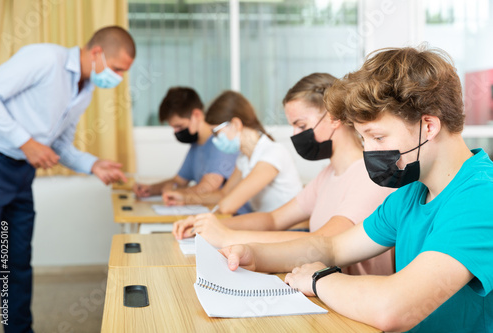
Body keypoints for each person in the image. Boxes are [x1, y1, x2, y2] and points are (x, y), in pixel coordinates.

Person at [220, 46, 493, 332]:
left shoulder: (481, 198)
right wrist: (255, 254)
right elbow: (332, 247)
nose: (370, 152)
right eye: (365, 140)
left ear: (429, 126)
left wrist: (318, 279)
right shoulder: (411, 194)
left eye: (378, 137)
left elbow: (394, 308)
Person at [173, 74, 394, 276]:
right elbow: (273, 219)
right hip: (326, 293)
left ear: (334, 118)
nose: (296, 135)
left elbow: (327, 242)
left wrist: (227, 237)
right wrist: (209, 226)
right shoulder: (327, 175)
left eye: (301, 125)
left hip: (350, 308)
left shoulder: (370, 176)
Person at [0, 26, 135, 332]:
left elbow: (59, 145)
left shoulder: (85, 90)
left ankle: (18, 329)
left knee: (15, 261)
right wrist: (26, 142)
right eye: (118, 69)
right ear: (97, 53)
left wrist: (93, 164)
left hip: (20, 174)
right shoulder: (46, 59)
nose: (119, 78)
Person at [164, 90, 303, 215]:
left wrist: (198, 220)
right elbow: (223, 194)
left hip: (292, 232)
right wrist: (184, 198)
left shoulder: (272, 154)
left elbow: (228, 206)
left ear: (236, 124)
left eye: (217, 133)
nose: (215, 139)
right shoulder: (244, 158)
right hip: (272, 231)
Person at [133, 87, 240, 206]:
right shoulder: (196, 145)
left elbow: (207, 188)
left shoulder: (221, 143)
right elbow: (179, 181)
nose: (176, 132)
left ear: (196, 115)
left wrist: (175, 192)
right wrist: (151, 189)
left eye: (179, 126)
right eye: (173, 127)